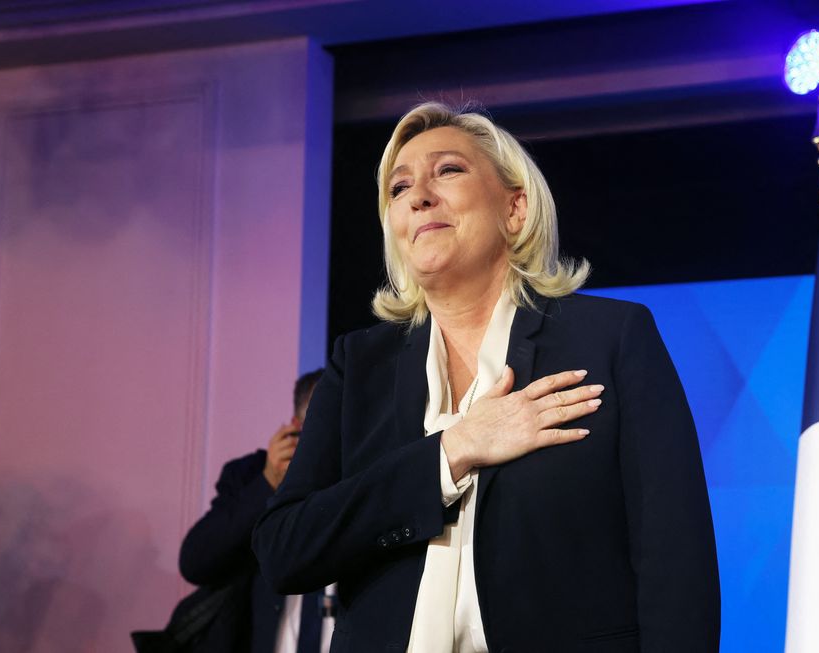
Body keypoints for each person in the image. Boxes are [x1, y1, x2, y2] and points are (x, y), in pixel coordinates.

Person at [252, 102, 719, 652]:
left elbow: (674, 557)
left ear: (515, 208)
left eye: (448, 170)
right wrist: (452, 451)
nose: (419, 195)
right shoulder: (358, 366)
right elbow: (284, 550)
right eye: (399, 188)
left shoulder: (612, 338)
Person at [179, 369, 329, 653]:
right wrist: (268, 483)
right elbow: (195, 562)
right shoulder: (249, 475)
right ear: (296, 428)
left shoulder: (371, 479)